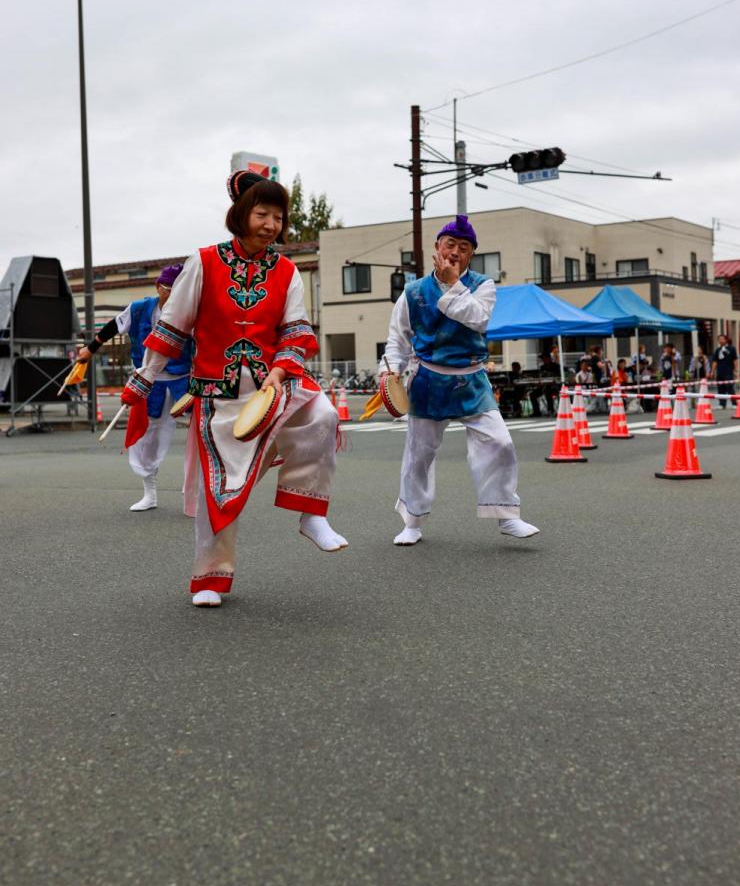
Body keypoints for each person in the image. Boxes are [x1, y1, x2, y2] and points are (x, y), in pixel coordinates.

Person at [119, 169, 346, 607]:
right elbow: (172, 327)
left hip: (273, 385)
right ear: (241, 214)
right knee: (216, 489)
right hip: (217, 395)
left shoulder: (286, 271)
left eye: (278, 217)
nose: (271, 225)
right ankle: (211, 578)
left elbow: (296, 331)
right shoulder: (203, 262)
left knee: (323, 415)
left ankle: (310, 513)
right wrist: (146, 376)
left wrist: (282, 369)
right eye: (262, 214)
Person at [380, 214, 539, 546]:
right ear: (437, 246)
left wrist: (453, 284)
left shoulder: (483, 285)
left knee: (500, 443)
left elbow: (477, 319)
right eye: (449, 244)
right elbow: (398, 340)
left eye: (463, 248)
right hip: (427, 380)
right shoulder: (411, 292)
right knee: (418, 454)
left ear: (471, 255)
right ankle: (412, 520)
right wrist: (390, 371)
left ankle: (507, 516)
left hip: (471, 379)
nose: (454, 252)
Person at [79, 265, 191, 511]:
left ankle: (192, 487)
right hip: (149, 381)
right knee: (147, 436)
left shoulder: (190, 310)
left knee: (200, 432)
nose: (174, 295)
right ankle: (150, 493)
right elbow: (111, 327)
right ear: (158, 287)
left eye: (179, 290)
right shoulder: (140, 308)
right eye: (169, 290)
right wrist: (89, 350)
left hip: (185, 378)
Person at [711, 333, 739, 408]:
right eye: (719, 339)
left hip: (729, 371)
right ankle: (722, 404)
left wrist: (736, 371)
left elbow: (735, 360)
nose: (720, 341)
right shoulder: (717, 350)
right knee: (720, 388)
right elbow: (715, 361)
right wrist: (712, 371)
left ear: (726, 340)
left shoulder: (731, 348)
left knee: (730, 387)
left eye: (722, 339)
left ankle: (734, 403)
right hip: (720, 371)